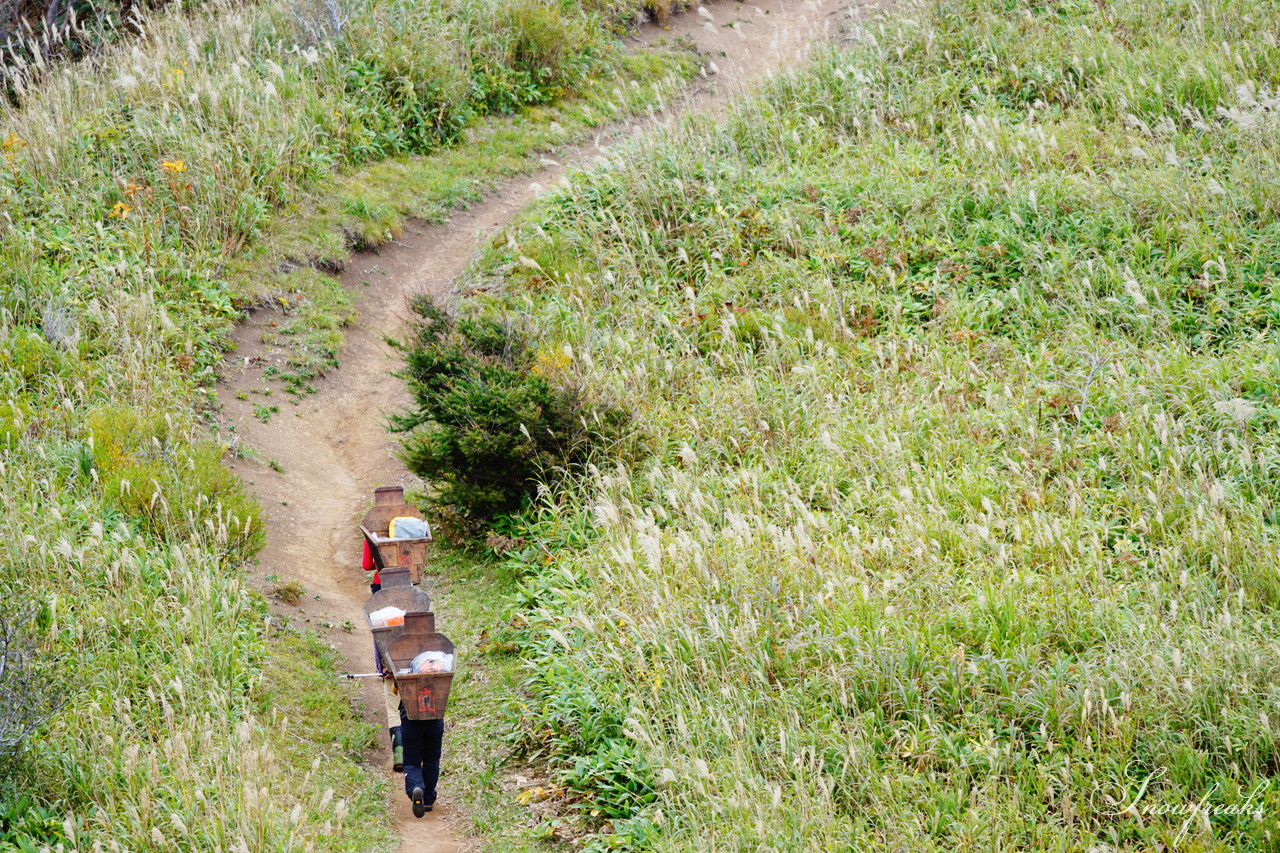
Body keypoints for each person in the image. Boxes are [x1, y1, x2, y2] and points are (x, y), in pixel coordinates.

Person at [399, 705, 445, 817]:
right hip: (435, 719)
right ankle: (428, 799)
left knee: (411, 761)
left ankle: (416, 786)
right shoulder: (440, 686)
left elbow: (395, 690)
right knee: (432, 760)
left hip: (411, 720)